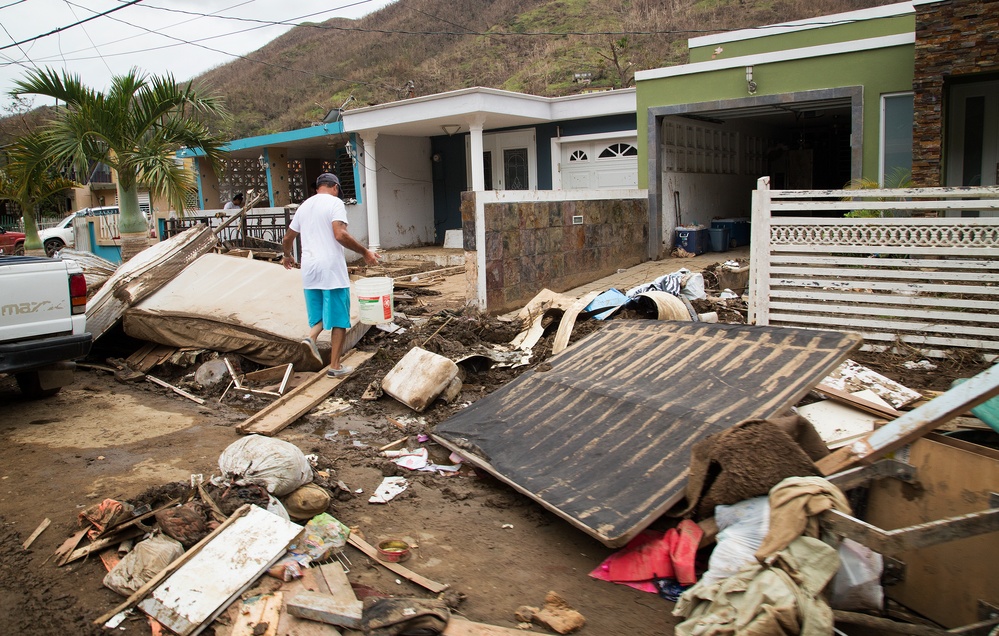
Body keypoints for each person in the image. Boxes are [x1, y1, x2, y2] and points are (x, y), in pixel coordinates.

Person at [282, 173, 379, 377]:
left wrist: (287, 256)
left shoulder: (304, 206)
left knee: (319, 316)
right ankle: (335, 366)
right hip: (331, 270)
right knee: (338, 319)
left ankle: (311, 338)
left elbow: (288, 238)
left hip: (309, 270)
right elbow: (340, 234)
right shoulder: (334, 203)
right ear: (335, 187)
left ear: (318, 187)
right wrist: (365, 252)